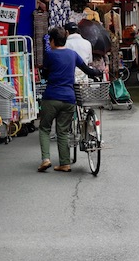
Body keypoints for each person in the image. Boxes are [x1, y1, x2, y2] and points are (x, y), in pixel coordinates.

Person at [38, 27, 102, 173]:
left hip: (51, 97)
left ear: (53, 41)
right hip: (69, 99)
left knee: (45, 128)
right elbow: (88, 70)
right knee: (63, 131)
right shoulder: (72, 55)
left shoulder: (50, 55)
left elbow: (45, 74)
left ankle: (46, 159)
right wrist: (98, 72)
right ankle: (65, 163)